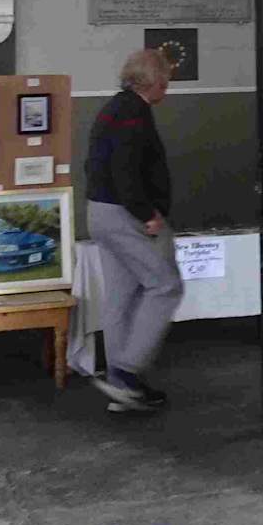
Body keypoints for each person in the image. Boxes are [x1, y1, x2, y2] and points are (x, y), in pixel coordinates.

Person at [83, 48, 182, 413]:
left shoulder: (114, 107)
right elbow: (126, 171)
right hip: (123, 215)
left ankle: (121, 389)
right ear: (152, 81)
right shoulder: (132, 114)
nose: (167, 88)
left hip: (100, 212)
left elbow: (95, 166)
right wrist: (146, 214)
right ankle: (126, 372)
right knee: (165, 285)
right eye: (165, 81)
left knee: (120, 299)